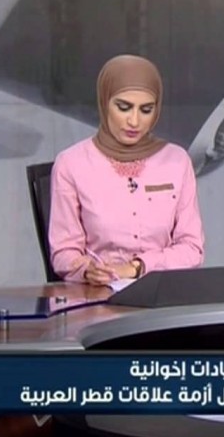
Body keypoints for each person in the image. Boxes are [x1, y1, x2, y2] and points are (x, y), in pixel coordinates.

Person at [48, 54, 205, 284]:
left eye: (146, 110)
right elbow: (63, 253)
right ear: (105, 102)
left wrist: (137, 268)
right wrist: (87, 270)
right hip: (97, 294)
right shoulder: (71, 163)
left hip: (162, 293)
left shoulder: (177, 161)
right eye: (124, 108)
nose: (134, 121)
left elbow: (192, 249)